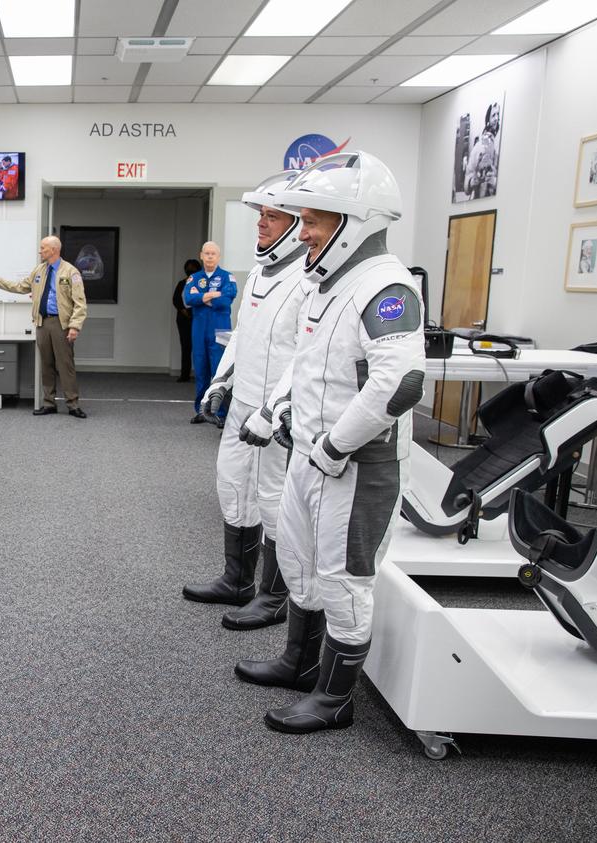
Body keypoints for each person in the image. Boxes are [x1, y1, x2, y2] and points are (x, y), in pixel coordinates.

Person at [234, 151, 425, 734]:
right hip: (309, 453)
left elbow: (401, 382)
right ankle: (299, 661)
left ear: (355, 221)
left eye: (316, 220)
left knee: (345, 581)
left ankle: (335, 699)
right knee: (298, 561)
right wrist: (284, 411)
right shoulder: (325, 284)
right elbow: (307, 363)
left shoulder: (387, 288)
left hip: (356, 465)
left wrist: (337, 446)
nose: (306, 231)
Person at [181, 171, 310, 632]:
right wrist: (220, 381)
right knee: (232, 485)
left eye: (273, 217)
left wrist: (275, 409)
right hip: (243, 404)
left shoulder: (309, 281)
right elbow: (243, 336)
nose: (261, 223)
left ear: (298, 224)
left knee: (273, 499)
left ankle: (273, 596)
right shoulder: (257, 272)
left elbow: (307, 356)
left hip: (276, 415)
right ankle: (237, 580)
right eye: (261, 215)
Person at [0, 235, 88, 418]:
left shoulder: (70, 272)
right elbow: (20, 287)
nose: (40, 251)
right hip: (42, 323)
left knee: (65, 365)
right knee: (46, 365)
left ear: (54, 250)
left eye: (43, 248)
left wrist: (75, 326)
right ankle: (49, 403)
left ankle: (73, 404)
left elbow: (80, 303)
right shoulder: (40, 270)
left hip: (61, 324)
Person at [184, 241, 237, 423]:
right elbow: (188, 298)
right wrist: (211, 295)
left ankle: (220, 413)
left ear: (218, 256)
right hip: (199, 329)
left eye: (213, 253)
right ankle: (201, 410)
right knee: (201, 369)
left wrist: (202, 298)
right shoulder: (193, 278)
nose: (209, 256)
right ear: (201, 255)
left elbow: (226, 301)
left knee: (219, 370)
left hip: (220, 329)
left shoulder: (227, 277)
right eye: (206, 253)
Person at [171, 258, 201, 383]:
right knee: (185, 347)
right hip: (183, 319)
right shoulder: (181, 283)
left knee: (199, 348)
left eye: (193, 268)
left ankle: (201, 375)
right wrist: (183, 310)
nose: (191, 271)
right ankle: (185, 374)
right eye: (189, 268)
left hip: (198, 319)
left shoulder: (201, 284)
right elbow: (176, 300)